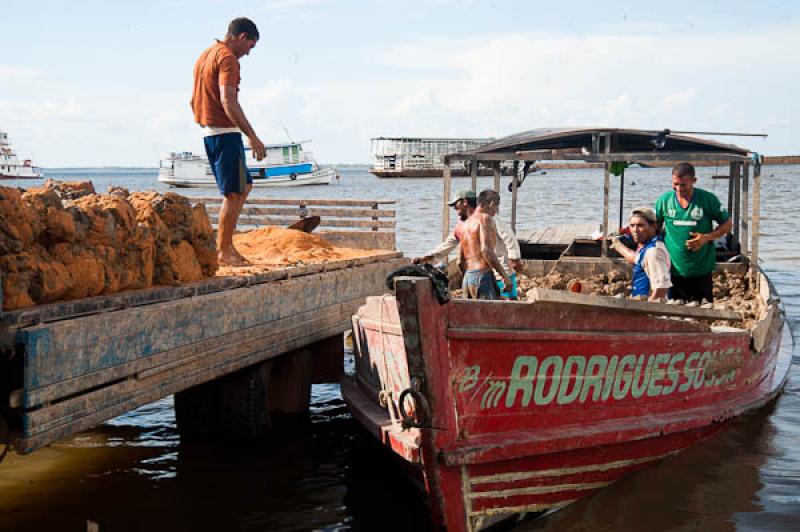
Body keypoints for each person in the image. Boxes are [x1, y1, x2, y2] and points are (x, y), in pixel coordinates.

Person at [191, 17, 266, 266]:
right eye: (250, 47)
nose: (248, 53)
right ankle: (223, 250)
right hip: (225, 134)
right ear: (242, 37)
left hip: (213, 132)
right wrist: (252, 136)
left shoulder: (207, 54)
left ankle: (227, 246)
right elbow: (228, 101)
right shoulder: (227, 58)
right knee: (234, 194)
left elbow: (193, 99)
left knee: (243, 187)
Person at [655, 162, 732, 303]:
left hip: (701, 269)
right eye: (675, 184)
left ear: (694, 181)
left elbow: (727, 223)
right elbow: (655, 229)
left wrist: (706, 238)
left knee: (702, 310)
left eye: (683, 185)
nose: (678, 189)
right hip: (674, 269)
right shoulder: (664, 201)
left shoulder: (707, 199)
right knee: (675, 311)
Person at [459, 190, 512, 300]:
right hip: (482, 277)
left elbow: (459, 261)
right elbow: (486, 251)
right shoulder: (485, 219)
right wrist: (505, 277)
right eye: (496, 207)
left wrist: (468, 277)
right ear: (492, 204)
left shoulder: (465, 224)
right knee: (490, 316)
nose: (496, 211)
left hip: (468, 278)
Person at [610, 207, 672, 301]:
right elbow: (636, 258)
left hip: (649, 307)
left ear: (654, 226)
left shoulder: (654, 251)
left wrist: (648, 307)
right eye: (632, 225)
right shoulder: (646, 246)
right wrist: (618, 246)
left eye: (640, 225)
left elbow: (661, 289)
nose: (635, 230)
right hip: (641, 301)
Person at [412, 189, 475, 265]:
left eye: (456, 204)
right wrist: (426, 258)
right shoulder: (461, 224)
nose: (454, 208)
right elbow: (447, 245)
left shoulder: (483, 220)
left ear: (465, 202)